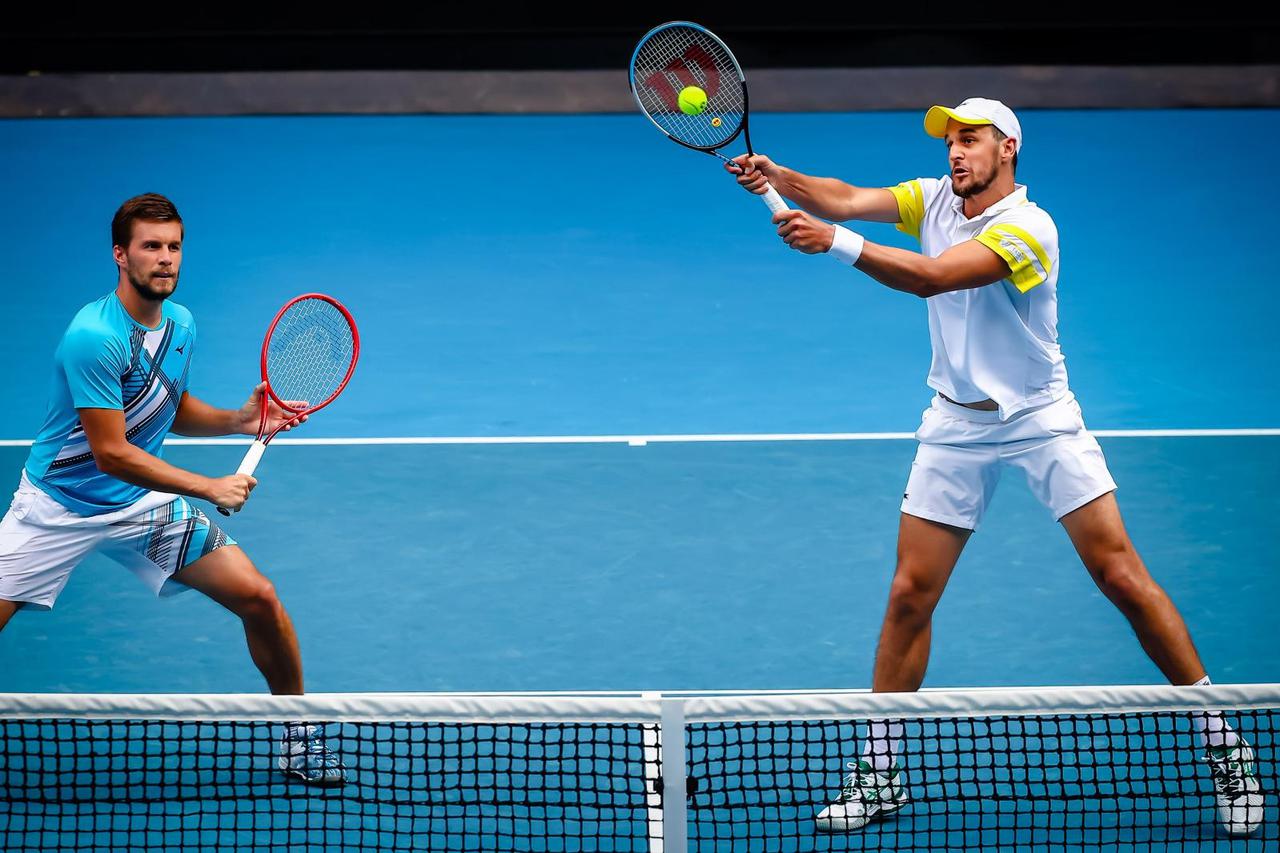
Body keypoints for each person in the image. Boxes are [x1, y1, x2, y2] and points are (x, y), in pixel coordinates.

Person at [730, 98, 1261, 836]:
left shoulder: (1028, 228)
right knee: (910, 593)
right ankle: (879, 770)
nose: (955, 153)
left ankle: (1226, 743)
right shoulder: (934, 197)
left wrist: (836, 244)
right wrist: (778, 173)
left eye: (970, 140)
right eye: (950, 141)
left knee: (1121, 576)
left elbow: (932, 277)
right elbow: (849, 197)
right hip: (954, 423)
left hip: (1040, 419)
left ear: (1007, 148)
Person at [0, 193, 344, 786]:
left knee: (259, 597)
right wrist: (209, 486)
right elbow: (111, 452)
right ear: (120, 255)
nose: (165, 259)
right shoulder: (94, 336)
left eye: (174, 246)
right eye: (151, 247)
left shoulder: (181, 323)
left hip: (138, 508)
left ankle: (299, 737)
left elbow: (165, 407)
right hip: (55, 510)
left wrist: (239, 420)